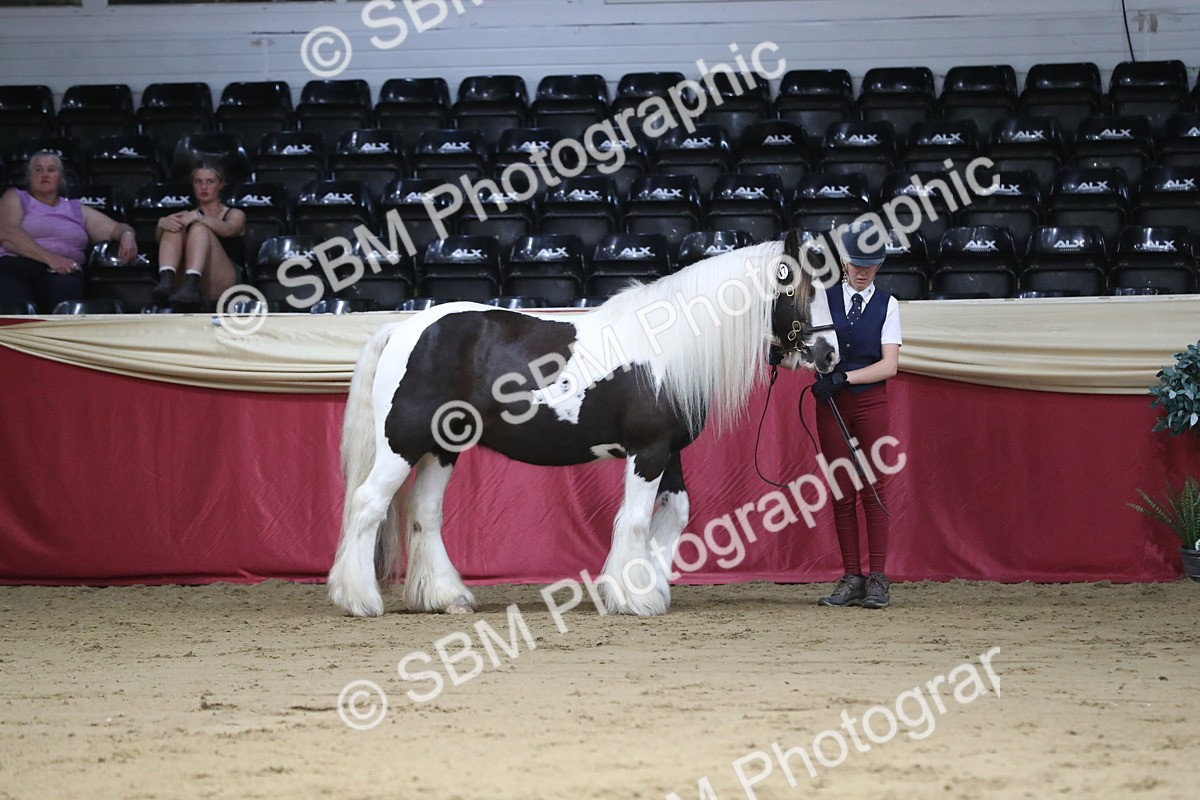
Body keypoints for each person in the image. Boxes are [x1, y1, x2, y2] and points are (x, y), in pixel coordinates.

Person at [812, 223, 902, 609]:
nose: (861, 272)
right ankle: (852, 576)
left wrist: (844, 376)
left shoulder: (888, 304)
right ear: (844, 262)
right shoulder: (822, 299)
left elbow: (889, 365)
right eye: (855, 264)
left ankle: (878, 577)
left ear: (879, 265)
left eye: (870, 265)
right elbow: (814, 351)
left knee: (874, 487)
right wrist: (792, 360)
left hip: (868, 401)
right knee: (842, 490)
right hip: (832, 405)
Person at [0, 150, 138, 311]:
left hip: (62, 272)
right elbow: (7, 232)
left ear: (61, 178)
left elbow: (116, 228)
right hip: (17, 265)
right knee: (14, 307)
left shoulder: (75, 209)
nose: (44, 174)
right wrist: (52, 259)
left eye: (51, 170)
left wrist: (127, 235)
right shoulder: (15, 197)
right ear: (29, 177)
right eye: (38, 169)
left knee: (64, 295)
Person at [152, 161, 245, 306]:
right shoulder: (186, 216)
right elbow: (161, 242)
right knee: (174, 225)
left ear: (220, 184)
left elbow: (229, 230)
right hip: (181, 281)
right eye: (198, 181)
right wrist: (161, 225)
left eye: (210, 182)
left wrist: (200, 217)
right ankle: (166, 282)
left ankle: (191, 285)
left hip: (223, 280)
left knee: (198, 228)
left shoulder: (234, 214)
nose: (203, 187)